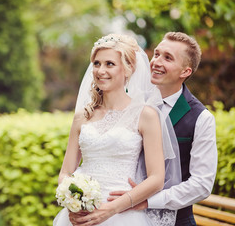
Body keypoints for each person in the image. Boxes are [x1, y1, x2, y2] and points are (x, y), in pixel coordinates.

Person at [53, 34, 180, 226]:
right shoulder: (82, 116)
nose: (100, 70)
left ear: (128, 69)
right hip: (81, 216)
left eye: (109, 64)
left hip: (121, 215)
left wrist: (111, 209)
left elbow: (156, 178)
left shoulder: (145, 115)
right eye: (97, 63)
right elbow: (65, 172)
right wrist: (74, 203)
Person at [109, 32, 218, 226]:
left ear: (185, 72)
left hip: (176, 221)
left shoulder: (201, 118)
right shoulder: (131, 103)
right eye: (157, 54)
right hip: (120, 216)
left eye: (167, 58)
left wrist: (148, 201)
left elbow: (201, 184)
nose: (156, 62)